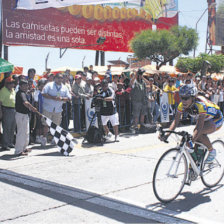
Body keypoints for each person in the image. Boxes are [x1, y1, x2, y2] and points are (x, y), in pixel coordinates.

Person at [160, 84, 223, 163]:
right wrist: (167, 135)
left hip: (216, 119)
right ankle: (197, 165)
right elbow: (176, 121)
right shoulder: (181, 105)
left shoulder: (200, 105)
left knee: (199, 133)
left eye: (186, 98)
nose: (183, 101)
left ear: (193, 98)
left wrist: (191, 140)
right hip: (205, 118)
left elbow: (199, 127)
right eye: (182, 97)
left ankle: (212, 151)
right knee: (195, 142)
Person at [41, 73, 71, 145]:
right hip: (48, 108)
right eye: (58, 78)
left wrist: (62, 98)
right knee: (46, 124)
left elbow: (69, 98)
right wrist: (52, 97)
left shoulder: (64, 87)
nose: (60, 79)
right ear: (55, 78)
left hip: (58, 109)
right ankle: (44, 138)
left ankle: (54, 139)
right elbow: (43, 93)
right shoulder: (49, 85)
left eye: (61, 78)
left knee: (56, 125)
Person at [15, 79, 38, 156]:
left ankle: (24, 148)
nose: (26, 87)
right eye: (24, 85)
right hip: (20, 115)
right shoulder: (20, 93)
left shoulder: (24, 93)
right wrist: (32, 108)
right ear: (20, 86)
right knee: (21, 133)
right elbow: (25, 103)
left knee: (26, 132)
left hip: (25, 115)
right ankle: (18, 150)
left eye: (26, 85)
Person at [0, 77, 16, 151]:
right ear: (6, 84)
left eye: (12, 83)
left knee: (12, 127)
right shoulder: (3, 91)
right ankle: (5, 144)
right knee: (6, 128)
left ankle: (10, 142)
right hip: (6, 109)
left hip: (13, 109)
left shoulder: (13, 90)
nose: (12, 84)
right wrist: (0, 112)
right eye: (10, 83)